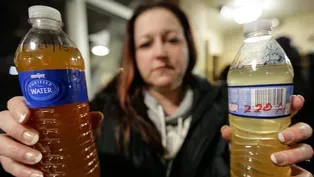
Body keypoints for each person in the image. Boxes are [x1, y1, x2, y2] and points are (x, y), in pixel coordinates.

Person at [0, 2, 313, 177]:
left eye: (172, 39)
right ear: (133, 56)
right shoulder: (96, 114)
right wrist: (24, 150)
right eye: (146, 43)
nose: (160, 52)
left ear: (190, 48)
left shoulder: (233, 104)